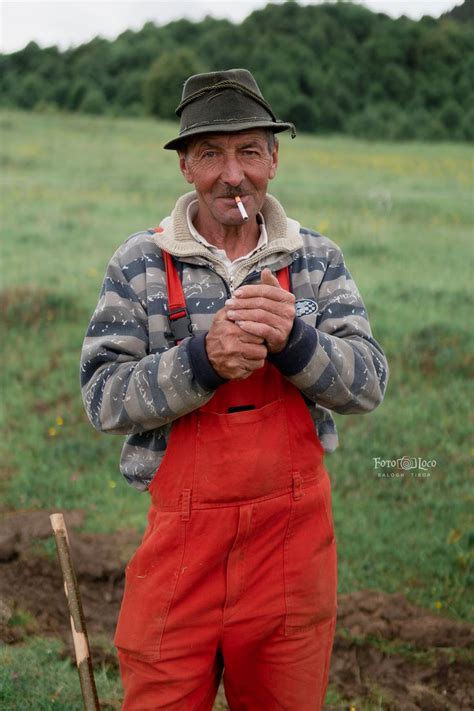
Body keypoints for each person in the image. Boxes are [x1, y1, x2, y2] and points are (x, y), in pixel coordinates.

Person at [80, 68, 389, 710]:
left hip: (290, 560)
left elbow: (367, 385)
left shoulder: (314, 261)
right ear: (186, 167)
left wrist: (299, 344)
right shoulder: (140, 263)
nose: (232, 174)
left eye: (249, 151)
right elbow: (102, 396)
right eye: (211, 154)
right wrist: (201, 360)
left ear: (273, 160)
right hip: (179, 561)